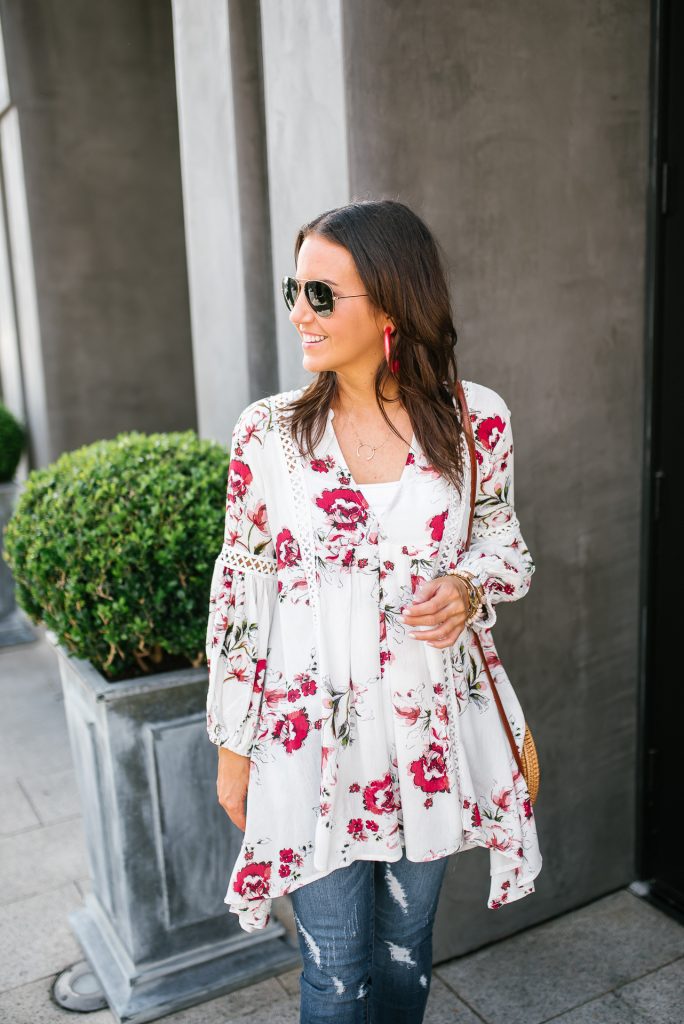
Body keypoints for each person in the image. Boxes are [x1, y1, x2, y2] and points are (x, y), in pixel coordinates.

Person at [206, 198, 542, 1024]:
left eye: (322, 295)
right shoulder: (268, 435)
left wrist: (468, 587)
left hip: (429, 730)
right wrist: (232, 746)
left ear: (391, 303)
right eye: (296, 290)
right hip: (305, 739)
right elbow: (239, 598)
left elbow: (507, 548)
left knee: (403, 951)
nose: (298, 314)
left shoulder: (476, 420)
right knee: (333, 970)